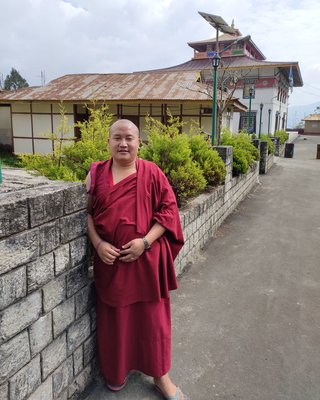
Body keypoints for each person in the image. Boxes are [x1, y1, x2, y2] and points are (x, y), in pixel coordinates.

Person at [85, 119, 189, 400]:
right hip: (112, 264)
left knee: (153, 322)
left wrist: (145, 242)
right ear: (108, 142)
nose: (123, 143)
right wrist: (98, 243)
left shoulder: (152, 173)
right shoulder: (95, 174)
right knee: (117, 321)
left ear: (138, 143)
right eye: (117, 138)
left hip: (146, 263)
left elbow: (169, 212)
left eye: (129, 138)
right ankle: (117, 371)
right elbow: (89, 215)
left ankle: (161, 377)